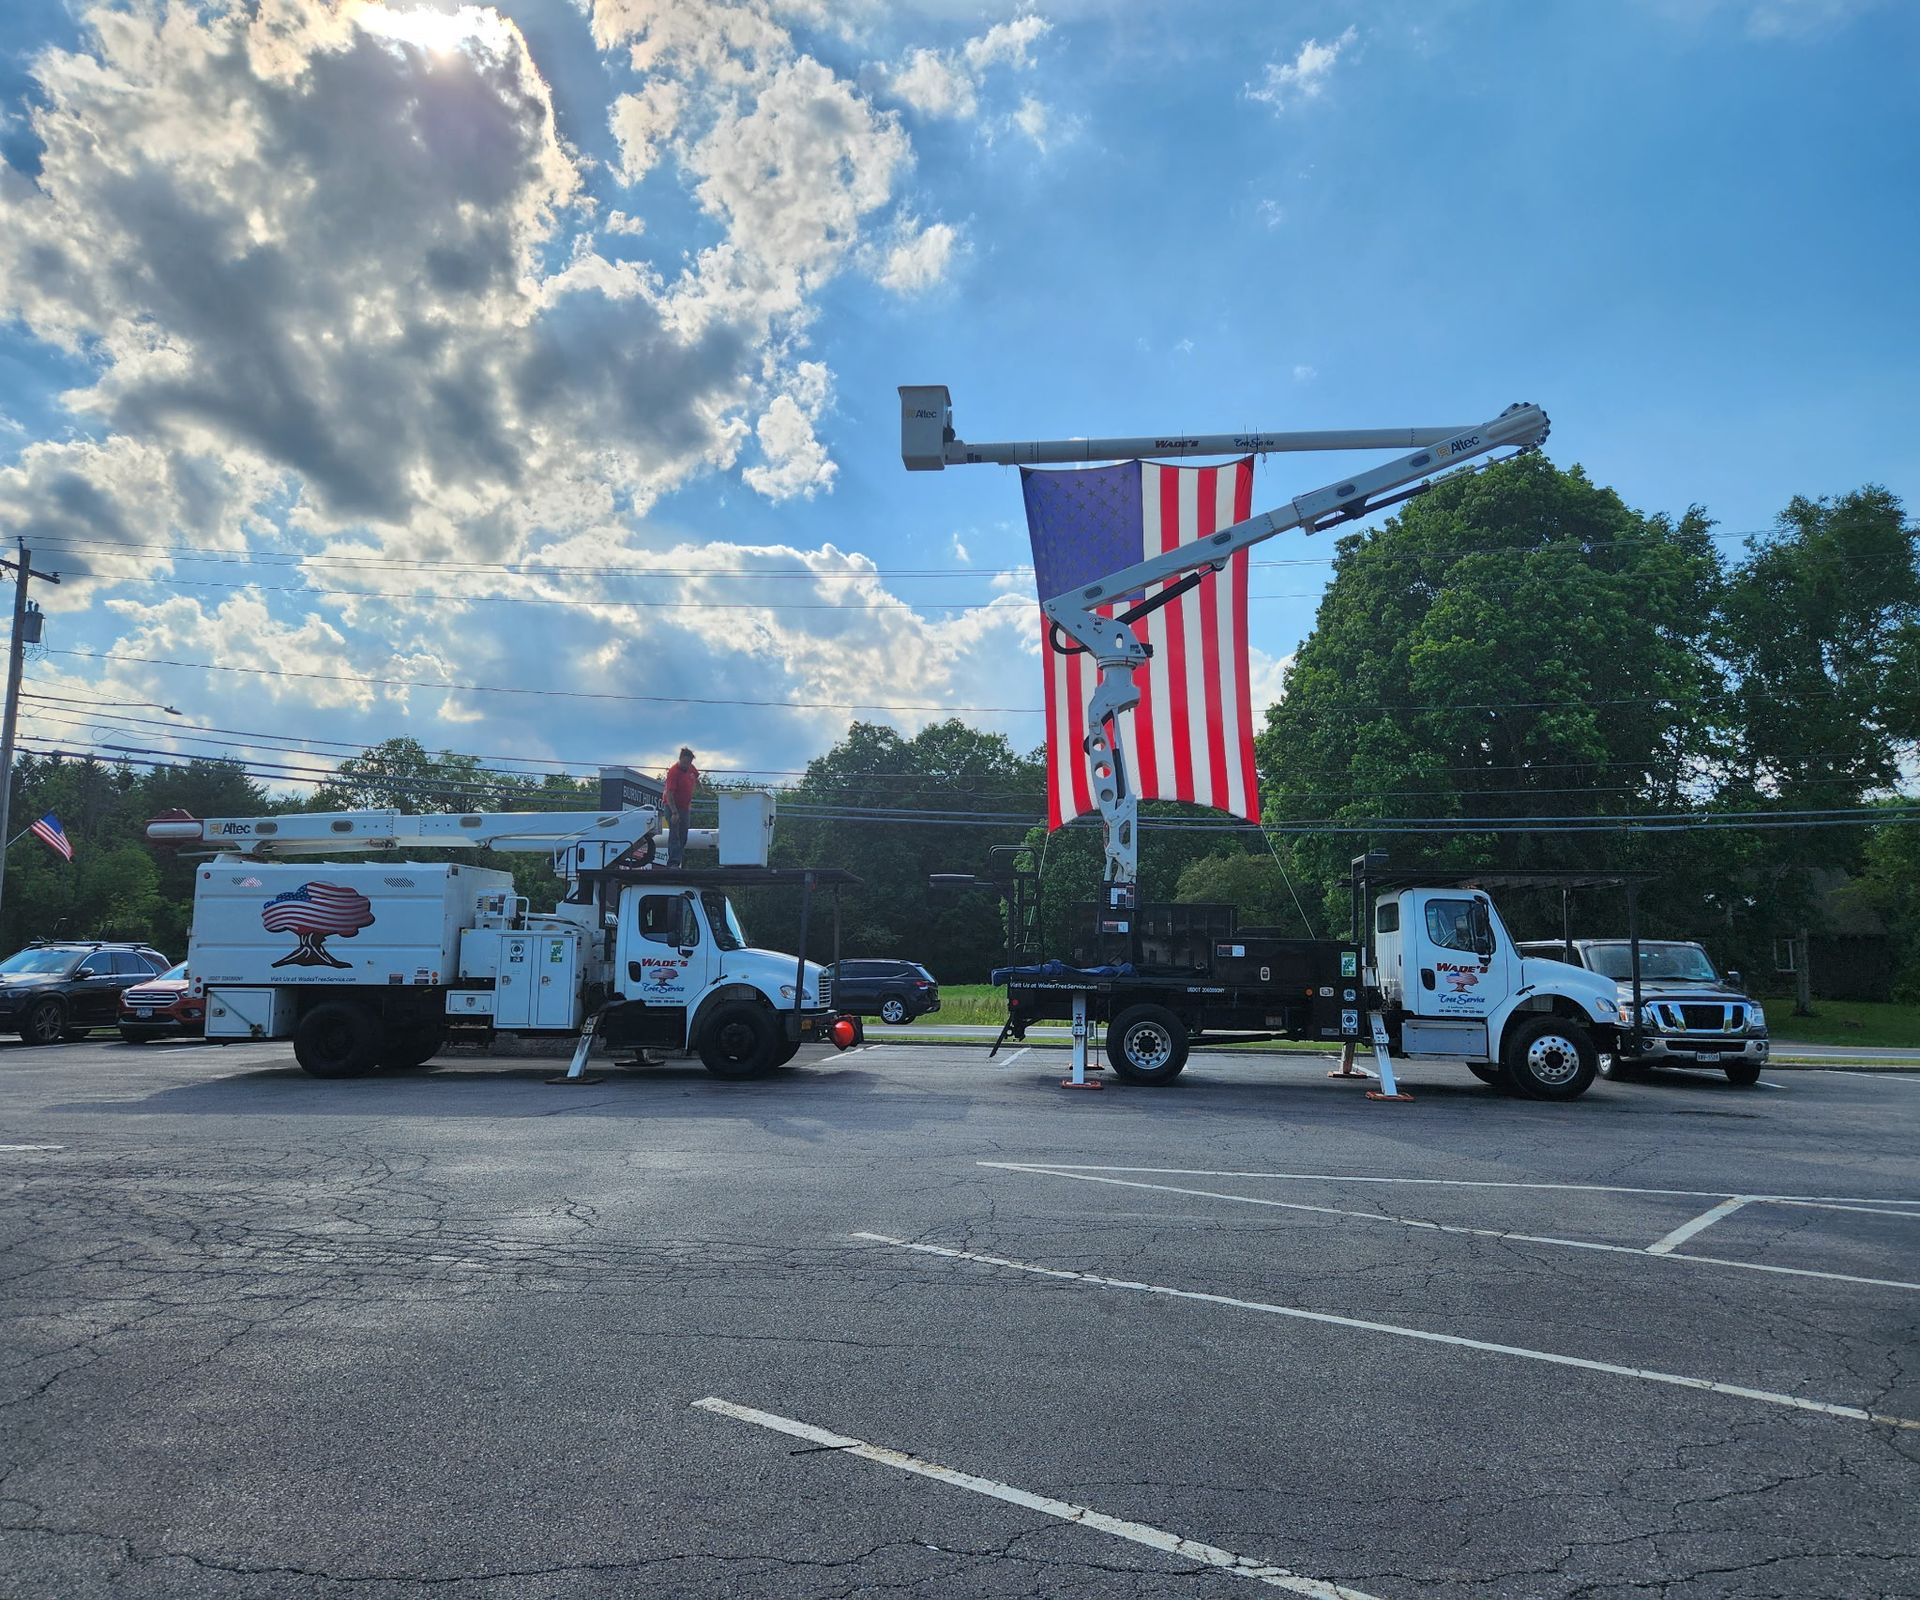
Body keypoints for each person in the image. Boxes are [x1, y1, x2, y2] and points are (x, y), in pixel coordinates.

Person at [662, 747, 698, 867]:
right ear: (680, 759)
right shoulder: (674, 772)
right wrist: (674, 812)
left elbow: (695, 776)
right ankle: (673, 862)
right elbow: (670, 794)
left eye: (689, 763)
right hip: (672, 806)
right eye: (685, 762)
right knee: (675, 834)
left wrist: (701, 787)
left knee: (683, 835)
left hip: (684, 807)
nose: (686, 765)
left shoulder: (690, 768)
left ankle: (678, 860)